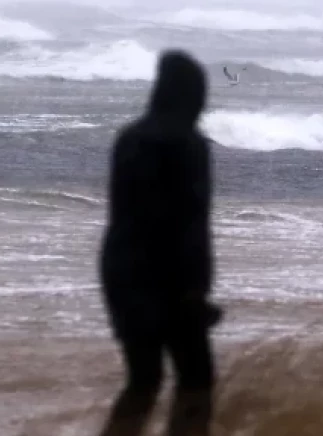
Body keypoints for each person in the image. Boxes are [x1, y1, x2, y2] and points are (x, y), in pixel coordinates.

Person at [97, 50, 221, 436]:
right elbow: (189, 224)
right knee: (197, 379)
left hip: (121, 271)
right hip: (169, 279)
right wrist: (194, 291)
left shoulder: (130, 137)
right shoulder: (188, 143)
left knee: (143, 378)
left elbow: (134, 215)